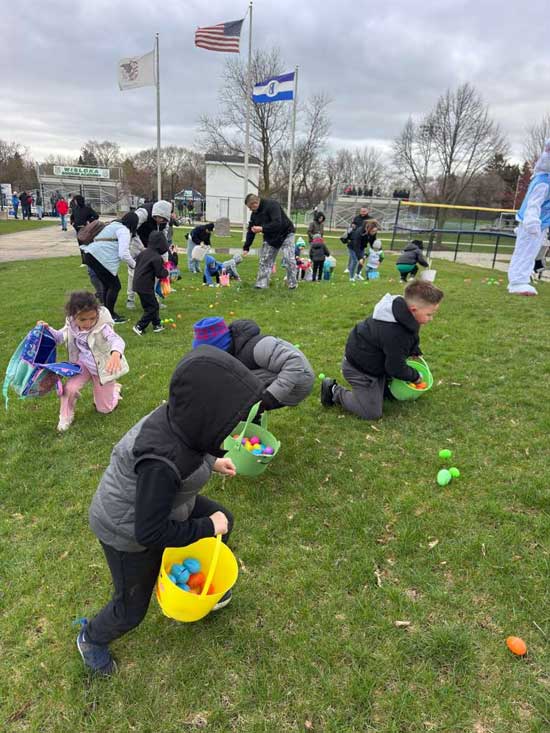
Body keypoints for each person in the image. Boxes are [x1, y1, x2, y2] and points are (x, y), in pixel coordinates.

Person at [75, 346, 264, 675]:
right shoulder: (161, 462)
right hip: (125, 530)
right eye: (230, 420)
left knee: (226, 520)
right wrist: (208, 526)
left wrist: (213, 461)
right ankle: (91, 638)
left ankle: (202, 588)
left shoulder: (184, 420)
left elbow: (195, 443)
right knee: (131, 608)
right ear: (209, 415)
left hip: (165, 504)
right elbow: (149, 532)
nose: (234, 428)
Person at [320, 280, 443, 420]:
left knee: (386, 392)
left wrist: (414, 350)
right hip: (360, 369)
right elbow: (395, 368)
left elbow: (411, 333)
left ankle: (382, 387)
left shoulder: (402, 312)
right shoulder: (394, 332)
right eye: (429, 314)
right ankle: (334, 391)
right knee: (371, 412)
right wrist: (416, 377)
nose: (431, 318)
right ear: (414, 309)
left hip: (376, 360)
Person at [37, 291, 128, 432]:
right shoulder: (71, 325)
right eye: (83, 319)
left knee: (105, 409)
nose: (88, 323)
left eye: (92, 318)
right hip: (83, 364)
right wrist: (47, 329)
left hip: (103, 369)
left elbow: (116, 339)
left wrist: (116, 353)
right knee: (69, 389)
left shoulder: (102, 326)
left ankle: (114, 391)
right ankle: (65, 416)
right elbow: (60, 337)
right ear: (74, 316)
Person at [192, 317, 315, 412]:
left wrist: (270, 397)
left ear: (219, 348)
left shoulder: (257, 347)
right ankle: (250, 416)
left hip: (299, 381)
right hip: (287, 378)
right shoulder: (234, 350)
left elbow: (294, 362)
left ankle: (250, 414)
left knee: (239, 388)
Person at [508, 139, 550, 296]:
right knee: (526, 252)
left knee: (530, 252)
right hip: (532, 224)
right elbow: (533, 204)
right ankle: (517, 282)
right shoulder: (543, 182)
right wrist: (532, 223)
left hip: (540, 224)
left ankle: (521, 279)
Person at [81, 212, 138, 323]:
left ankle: (106, 313)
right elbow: (123, 253)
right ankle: (111, 315)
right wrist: (134, 265)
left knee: (107, 285)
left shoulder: (113, 225)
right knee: (115, 286)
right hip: (100, 258)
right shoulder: (124, 231)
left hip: (91, 255)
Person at [243, 193, 297, 289]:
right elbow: (251, 231)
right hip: (270, 238)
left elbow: (277, 223)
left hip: (286, 234)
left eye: (250, 207)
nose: (250, 210)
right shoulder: (254, 215)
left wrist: (262, 228)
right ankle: (261, 284)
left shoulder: (272, 205)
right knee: (265, 260)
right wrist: (246, 247)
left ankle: (292, 284)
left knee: (289, 259)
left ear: (255, 203)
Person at [126, 200, 172, 309]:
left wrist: (164, 253)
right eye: (157, 217)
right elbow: (131, 229)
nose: (160, 220)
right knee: (134, 272)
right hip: (137, 244)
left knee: (158, 270)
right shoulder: (143, 212)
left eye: (163, 219)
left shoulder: (165, 222)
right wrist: (142, 248)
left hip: (154, 247)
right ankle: (130, 298)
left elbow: (163, 236)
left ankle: (155, 298)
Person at [132, 232, 169, 336]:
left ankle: (157, 324)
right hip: (145, 286)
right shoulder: (156, 258)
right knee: (153, 307)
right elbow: (160, 273)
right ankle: (140, 326)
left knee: (149, 306)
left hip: (138, 283)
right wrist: (166, 272)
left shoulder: (143, 253)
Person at [71, 195, 99, 263]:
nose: (75, 202)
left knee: (88, 245)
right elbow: (72, 217)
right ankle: (84, 261)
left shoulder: (87, 209)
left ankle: (91, 260)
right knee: (81, 246)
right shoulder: (75, 209)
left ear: (78, 201)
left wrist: (89, 221)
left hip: (87, 230)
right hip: (78, 230)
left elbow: (96, 216)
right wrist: (73, 223)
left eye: (75, 200)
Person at [343, 207, 370, 274]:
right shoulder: (356, 218)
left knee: (362, 256)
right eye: (362, 211)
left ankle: (359, 270)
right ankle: (349, 268)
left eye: (364, 211)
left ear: (367, 211)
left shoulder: (370, 219)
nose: (363, 212)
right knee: (352, 256)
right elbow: (352, 227)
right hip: (354, 239)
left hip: (363, 240)